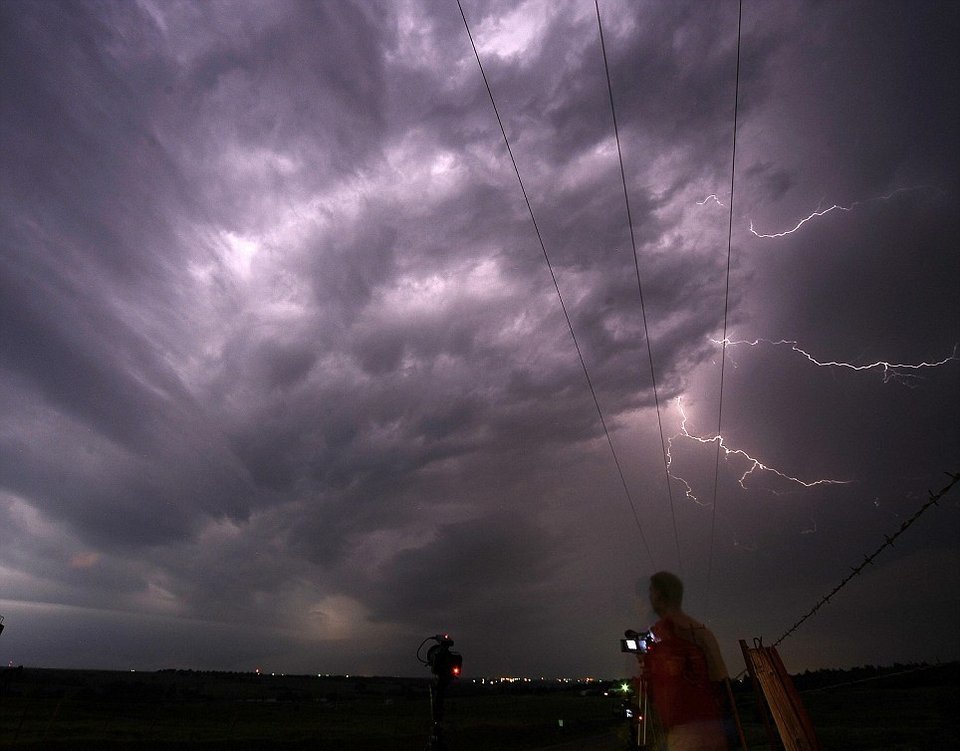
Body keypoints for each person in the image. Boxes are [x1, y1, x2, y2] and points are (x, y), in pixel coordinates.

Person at [640, 571, 730, 751]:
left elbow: (660, 689)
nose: (648, 598)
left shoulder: (665, 634)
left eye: (651, 592)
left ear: (659, 595)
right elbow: (721, 679)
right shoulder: (702, 632)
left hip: (685, 731)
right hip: (713, 726)